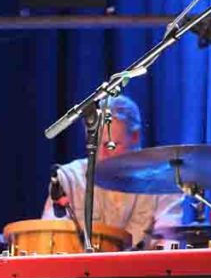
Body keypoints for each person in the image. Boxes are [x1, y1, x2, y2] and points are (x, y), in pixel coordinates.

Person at [42, 94, 183, 249]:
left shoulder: (162, 180)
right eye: (96, 145)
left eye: (111, 145)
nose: (102, 154)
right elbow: (52, 238)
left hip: (143, 271)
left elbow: (169, 238)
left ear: (135, 137)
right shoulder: (69, 179)